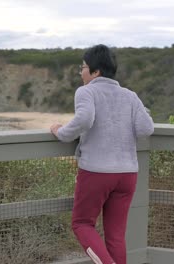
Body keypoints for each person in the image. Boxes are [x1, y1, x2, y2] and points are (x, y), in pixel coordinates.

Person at [50, 44, 154, 264]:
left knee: (82, 224)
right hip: (128, 173)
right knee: (115, 235)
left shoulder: (86, 91)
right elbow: (146, 129)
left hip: (97, 172)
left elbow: (85, 119)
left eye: (84, 67)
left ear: (96, 72)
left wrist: (61, 132)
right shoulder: (130, 95)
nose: (81, 72)